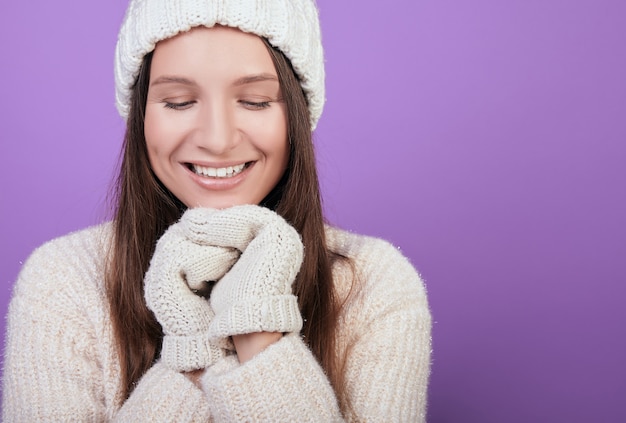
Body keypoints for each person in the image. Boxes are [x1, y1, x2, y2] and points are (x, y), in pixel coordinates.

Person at [2, 0, 432, 421]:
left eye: (256, 101)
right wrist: (191, 352)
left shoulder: (372, 283)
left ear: (297, 115)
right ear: (140, 117)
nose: (218, 139)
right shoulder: (64, 278)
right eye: (178, 102)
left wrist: (258, 326)